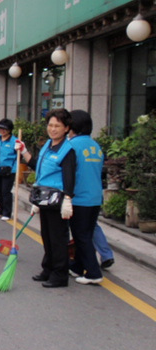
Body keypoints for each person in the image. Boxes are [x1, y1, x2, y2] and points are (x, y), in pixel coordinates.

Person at [17, 108, 76, 288]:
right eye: (50, 125)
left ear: (66, 128)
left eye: (57, 126)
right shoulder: (48, 146)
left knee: (58, 239)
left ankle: (60, 275)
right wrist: (24, 151)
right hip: (44, 198)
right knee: (47, 236)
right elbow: (38, 167)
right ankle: (48, 269)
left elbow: (69, 177)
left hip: (58, 200)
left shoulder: (68, 150)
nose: (53, 129)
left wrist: (68, 199)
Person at [66, 109, 105, 284]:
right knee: (86, 234)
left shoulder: (72, 146)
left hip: (79, 198)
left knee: (81, 236)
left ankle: (93, 272)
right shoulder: (95, 145)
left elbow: (68, 173)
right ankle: (77, 266)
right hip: (95, 197)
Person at [0, 118, 18, 221]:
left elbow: (19, 156)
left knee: (5, 191)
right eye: (0, 128)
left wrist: (13, 167)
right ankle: (1, 210)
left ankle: (7, 212)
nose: (2, 131)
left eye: (4, 129)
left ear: (9, 130)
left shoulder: (14, 141)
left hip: (9, 170)